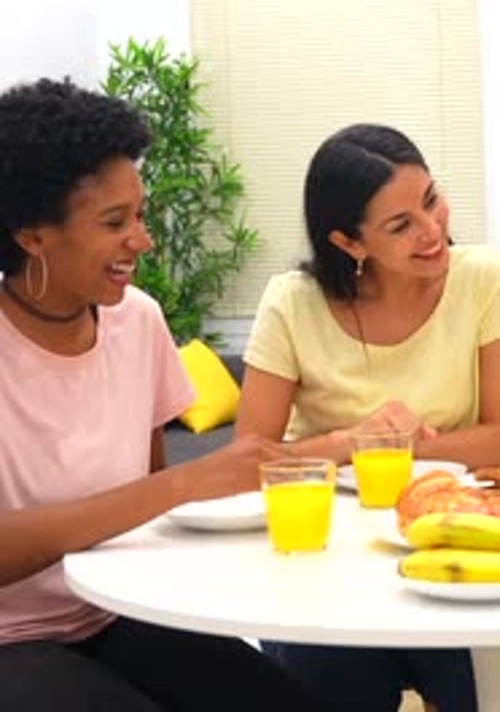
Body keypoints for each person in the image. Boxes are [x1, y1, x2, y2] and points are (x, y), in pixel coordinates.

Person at [0, 77, 329, 712]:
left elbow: (142, 504)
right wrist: (188, 482)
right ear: (32, 234)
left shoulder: (138, 320)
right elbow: (159, 489)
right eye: (114, 222)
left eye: (141, 214)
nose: (142, 240)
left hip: (116, 611)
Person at [236, 123, 500, 712]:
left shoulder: (485, 279)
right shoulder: (291, 303)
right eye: (401, 225)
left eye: (431, 199)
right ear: (349, 243)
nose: (433, 231)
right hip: (326, 556)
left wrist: (410, 451)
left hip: (451, 537)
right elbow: (246, 457)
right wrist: (352, 441)